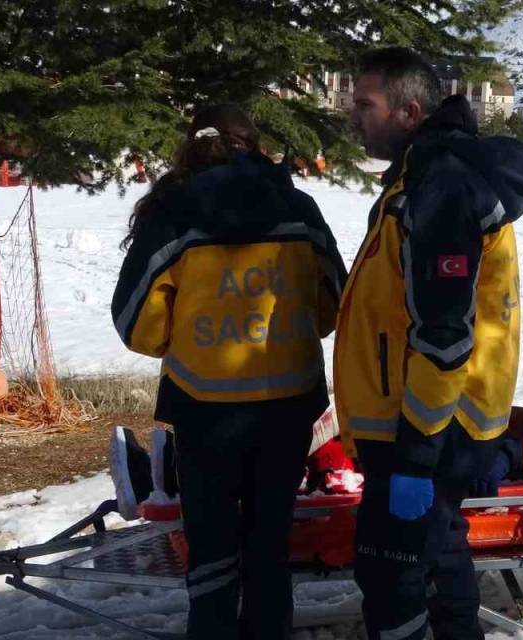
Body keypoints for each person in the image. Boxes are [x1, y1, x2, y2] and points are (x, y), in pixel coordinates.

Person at [336, 47, 523, 640]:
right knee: (438, 558)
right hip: (431, 419)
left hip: (427, 425)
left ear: (408, 111)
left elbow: (443, 335)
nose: (351, 114)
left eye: (364, 104)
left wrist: (413, 455)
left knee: (393, 576)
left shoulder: (441, 185)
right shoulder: (423, 175)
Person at [110, 104, 346, 639]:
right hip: (288, 409)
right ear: (256, 146)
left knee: (212, 550)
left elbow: (134, 323)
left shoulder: (173, 212)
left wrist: (188, 336)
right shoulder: (301, 209)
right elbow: (334, 305)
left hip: (203, 411)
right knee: (268, 547)